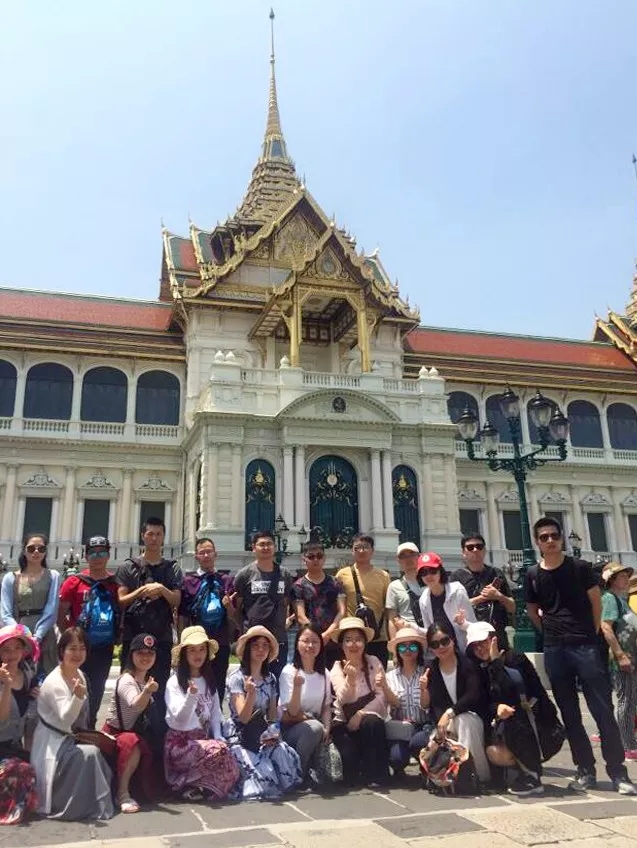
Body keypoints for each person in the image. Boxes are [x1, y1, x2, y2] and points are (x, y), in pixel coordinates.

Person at [525, 516, 636, 795]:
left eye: (554, 535)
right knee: (570, 713)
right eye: (544, 537)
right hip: (555, 648)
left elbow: (595, 601)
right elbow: (531, 611)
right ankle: (585, 769)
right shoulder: (533, 574)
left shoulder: (580, 567)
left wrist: (591, 631)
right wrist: (549, 631)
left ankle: (618, 772)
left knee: (602, 710)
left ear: (561, 538)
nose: (550, 541)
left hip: (585, 646)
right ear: (537, 542)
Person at [465, 620, 559, 796]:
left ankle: (532, 775)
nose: (480, 649)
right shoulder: (479, 668)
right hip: (506, 722)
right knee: (490, 742)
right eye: (475, 646)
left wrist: (495, 663)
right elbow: (482, 701)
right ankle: (504, 775)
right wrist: (496, 707)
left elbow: (512, 691)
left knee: (513, 719)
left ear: (494, 639)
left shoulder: (515, 659)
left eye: (483, 642)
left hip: (537, 724)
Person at [31, 627, 114, 821]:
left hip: (70, 738)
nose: (77, 653)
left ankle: (93, 802)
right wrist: (77, 697)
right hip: (54, 744)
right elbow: (65, 719)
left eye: (82, 648)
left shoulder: (79, 674)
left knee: (101, 750)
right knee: (90, 754)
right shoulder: (55, 681)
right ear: (62, 651)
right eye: (72, 648)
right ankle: (72, 805)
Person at [225, 625, 302, 800]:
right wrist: (251, 694)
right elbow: (243, 717)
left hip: (261, 733)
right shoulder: (236, 678)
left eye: (265, 646)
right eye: (256, 645)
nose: (261, 650)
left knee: (283, 753)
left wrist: (273, 733)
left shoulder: (270, 678)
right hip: (240, 735)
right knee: (263, 777)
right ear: (247, 649)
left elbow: (272, 715)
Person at [116, 517, 183, 718]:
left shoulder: (172, 568)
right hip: (133, 635)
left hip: (161, 637)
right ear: (143, 536)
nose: (154, 538)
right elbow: (121, 601)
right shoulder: (128, 567)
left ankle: (156, 733)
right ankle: (127, 730)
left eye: (158, 534)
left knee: (159, 689)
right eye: (150, 534)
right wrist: (142, 591)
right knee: (129, 687)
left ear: (163, 537)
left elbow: (176, 600)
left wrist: (161, 589)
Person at [164, 626, 239, 801]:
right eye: (192, 650)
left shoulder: (209, 681)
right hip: (181, 745)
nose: (198, 654)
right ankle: (180, 783)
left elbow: (215, 712)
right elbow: (180, 720)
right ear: (184, 653)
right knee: (221, 752)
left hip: (204, 743)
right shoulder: (174, 682)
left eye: (201, 649)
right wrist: (191, 696)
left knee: (233, 766)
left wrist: (218, 735)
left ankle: (198, 788)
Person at [58, 535, 120, 728]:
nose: (97, 557)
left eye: (102, 553)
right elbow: (60, 615)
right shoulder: (73, 582)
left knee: (98, 689)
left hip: (103, 647)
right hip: (79, 647)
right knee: (74, 686)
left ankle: (89, 726)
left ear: (108, 555)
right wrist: (72, 640)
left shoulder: (115, 583)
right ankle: (72, 726)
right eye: (93, 553)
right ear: (86, 556)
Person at [420, 620, 491, 786]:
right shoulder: (431, 669)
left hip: (471, 718)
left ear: (453, 639)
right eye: (435, 644)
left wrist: (449, 714)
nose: (441, 647)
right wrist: (423, 690)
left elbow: (472, 696)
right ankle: (457, 777)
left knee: (465, 720)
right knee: (438, 740)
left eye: (445, 641)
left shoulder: (468, 664)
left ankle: (478, 775)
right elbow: (427, 706)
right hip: (444, 724)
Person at [102, 632, 166, 812]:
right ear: (131, 655)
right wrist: (147, 692)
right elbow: (136, 704)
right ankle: (122, 794)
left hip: (134, 732)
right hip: (114, 735)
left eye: (150, 653)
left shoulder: (146, 680)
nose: (146, 657)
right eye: (140, 653)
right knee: (133, 742)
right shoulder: (127, 680)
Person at [329, 616, 389, 786]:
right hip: (344, 723)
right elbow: (342, 699)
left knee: (372, 722)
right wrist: (351, 679)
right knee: (350, 765)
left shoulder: (373, 662)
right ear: (341, 644)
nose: (353, 645)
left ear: (364, 643)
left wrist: (362, 713)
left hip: (367, 720)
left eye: (358, 640)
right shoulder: (336, 668)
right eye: (348, 640)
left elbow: (381, 696)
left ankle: (377, 775)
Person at [179, 537, 238, 704]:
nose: (206, 555)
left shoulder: (226, 581)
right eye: (202, 552)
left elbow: (234, 615)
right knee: (195, 683)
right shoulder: (188, 582)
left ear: (215, 554)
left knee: (218, 685)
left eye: (209, 552)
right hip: (196, 643)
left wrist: (228, 606)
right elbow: (182, 615)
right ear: (196, 556)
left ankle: (215, 718)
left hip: (220, 642)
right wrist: (181, 642)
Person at [232, 530, 294, 679]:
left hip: (278, 640)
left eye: (269, 544)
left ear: (275, 547)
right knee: (251, 682)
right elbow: (237, 608)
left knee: (276, 682)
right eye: (262, 544)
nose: (266, 547)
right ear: (254, 547)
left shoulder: (285, 575)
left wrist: (285, 621)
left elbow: (286, 602)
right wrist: (243, 631)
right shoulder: (244, 575)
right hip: (253, 639)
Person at [1, 533, 60, 674]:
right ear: (24, 550)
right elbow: (5, 612)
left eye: (41, 548)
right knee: (19, 674)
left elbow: (51, 609)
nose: (36, 552)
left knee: (45, 674)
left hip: (45, 633)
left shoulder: (53, 576)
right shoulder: (10, 578)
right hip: (17, 635)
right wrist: (22, 634)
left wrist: (37, 636)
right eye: (31, 548)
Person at [279, 625, 332, 779]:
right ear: (297, 644)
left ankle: (311, 770)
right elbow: (292, 712)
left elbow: (326, 706)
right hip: (291, 728)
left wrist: (327, 728)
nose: (310, 645)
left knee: (317, 728)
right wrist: (297, 687)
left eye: (315, 642)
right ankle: (298, 772)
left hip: (317, 726)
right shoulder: (289, 672)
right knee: (315, 727)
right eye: (306, 641)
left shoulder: (324, 674)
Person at [0, 624, 39, 824]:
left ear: (24, 651)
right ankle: (8, 812)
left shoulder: (28, 674)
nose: (12, 654)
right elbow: (2, 718)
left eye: (17, 648)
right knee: (18, 769)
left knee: (33, 765)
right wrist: (6, 686)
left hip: (15, 747)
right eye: (6, 649)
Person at [382, 627, 433, 778]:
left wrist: (424, 689)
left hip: (423, 725)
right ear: (397, 651)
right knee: (396, 757)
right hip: (401, 727)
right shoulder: (390, 677)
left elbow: (426, 706)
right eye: (403, 647)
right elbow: (393, 704)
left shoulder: (426, 673)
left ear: (419, 649)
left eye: (412, 647)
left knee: (418, 742)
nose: (408, 651)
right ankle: (399, 769)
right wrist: (384, 687)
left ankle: (426, 767)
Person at [336, 535, 391, 668]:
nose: (361, 551)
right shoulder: (342, 575)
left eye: (365, 547)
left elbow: (388, 609)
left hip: (378, 636)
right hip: (352, 636)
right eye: (357, 548)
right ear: (352, 551)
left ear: (372, 550)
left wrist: (391, 637)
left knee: (378, 675)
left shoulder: (383, 576)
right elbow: (338, 605)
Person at [451, 533, 514, 650]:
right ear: (464, 552)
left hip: (497, 636)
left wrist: (499, 596)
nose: (475, 550)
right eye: (470, 547)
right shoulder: (456, 577)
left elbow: (512, 607)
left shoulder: (496, 573)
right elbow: (453, 609)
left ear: (484, 550)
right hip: (471, 639)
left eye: (479, 546)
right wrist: (483, 598)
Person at [599, 562, 637, 757]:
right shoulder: (610, 599)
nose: (625, 579)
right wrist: (620, 655)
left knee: (631, 700)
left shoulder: (622, 599)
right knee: (626, 700)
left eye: (626, 576)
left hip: (631, 656)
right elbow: (606, 627)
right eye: (621, 576)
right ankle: (627, 744)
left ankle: (628, 740)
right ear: (612, 580)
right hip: (622, 658)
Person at [291, 542, 346, 668]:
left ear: (324, 558)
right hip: (309, 643)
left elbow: (342, 611)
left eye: (319, 556)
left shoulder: (336, 583)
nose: (316, 559)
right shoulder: (298, 586)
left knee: (335, 676)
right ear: (304, 559)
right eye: (311, 556)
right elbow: (300, 616)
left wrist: (327, 634)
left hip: (334, 641)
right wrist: (316, 637)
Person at [417, 553, 475, 652]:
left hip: (465, 649)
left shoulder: (457, 591)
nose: (429, 576)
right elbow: (429, 631)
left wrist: (463, 623)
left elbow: (473, 624)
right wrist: (412, 627)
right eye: (424, 572)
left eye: (433, 571)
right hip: (442, 651)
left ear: (440, 571)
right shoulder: (423, 600)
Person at [386, 542, 425, 639]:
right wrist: (394, 643)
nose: (408, 559)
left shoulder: (429, 580)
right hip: (408, 636)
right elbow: (392, 619)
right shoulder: (394, 586)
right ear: (398, 561)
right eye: (403, 556)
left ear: (419, 556)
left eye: (412, 554)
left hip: (431, 633)